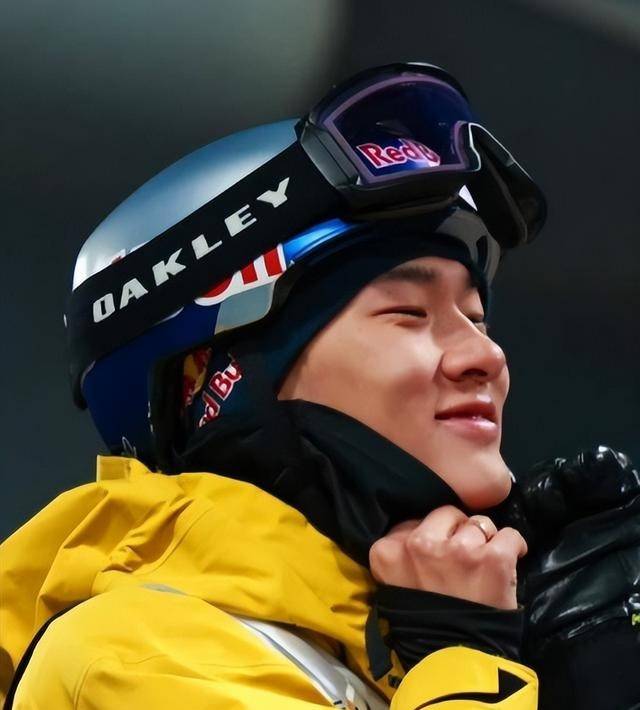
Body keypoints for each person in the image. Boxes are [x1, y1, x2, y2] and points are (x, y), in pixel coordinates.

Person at [1, 62, 638, 709]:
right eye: (408, 313)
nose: (485, 355)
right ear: (225, 380)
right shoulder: (127, 655)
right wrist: (467, 655)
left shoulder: (393, 655)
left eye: (476, 317)